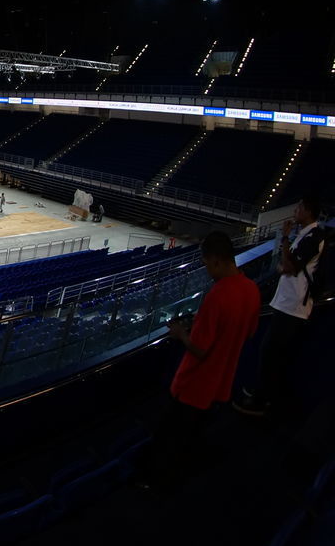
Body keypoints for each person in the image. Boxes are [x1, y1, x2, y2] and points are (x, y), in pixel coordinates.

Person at [138, 231, 260, 487]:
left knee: (168, 439)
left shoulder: (217, 296)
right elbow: (249, 331)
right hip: (222, 384)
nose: (206, 270)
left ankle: (156, 484)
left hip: (194, 386)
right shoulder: (251, 289)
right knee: (194, 437)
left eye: (206, 264)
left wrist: (182, 333)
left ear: (216, 260)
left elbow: (201, 350)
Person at [234, 196, 324, 416]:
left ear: (309, 212)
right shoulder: (306, 234)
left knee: (272, 354)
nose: (296, 210)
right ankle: (262, 392)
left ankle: (263, 400)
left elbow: (289, 267)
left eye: (300, 207)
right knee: (271, 352)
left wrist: (284, 238)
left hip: (292, 307)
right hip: (286, 303)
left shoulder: (313, 236)